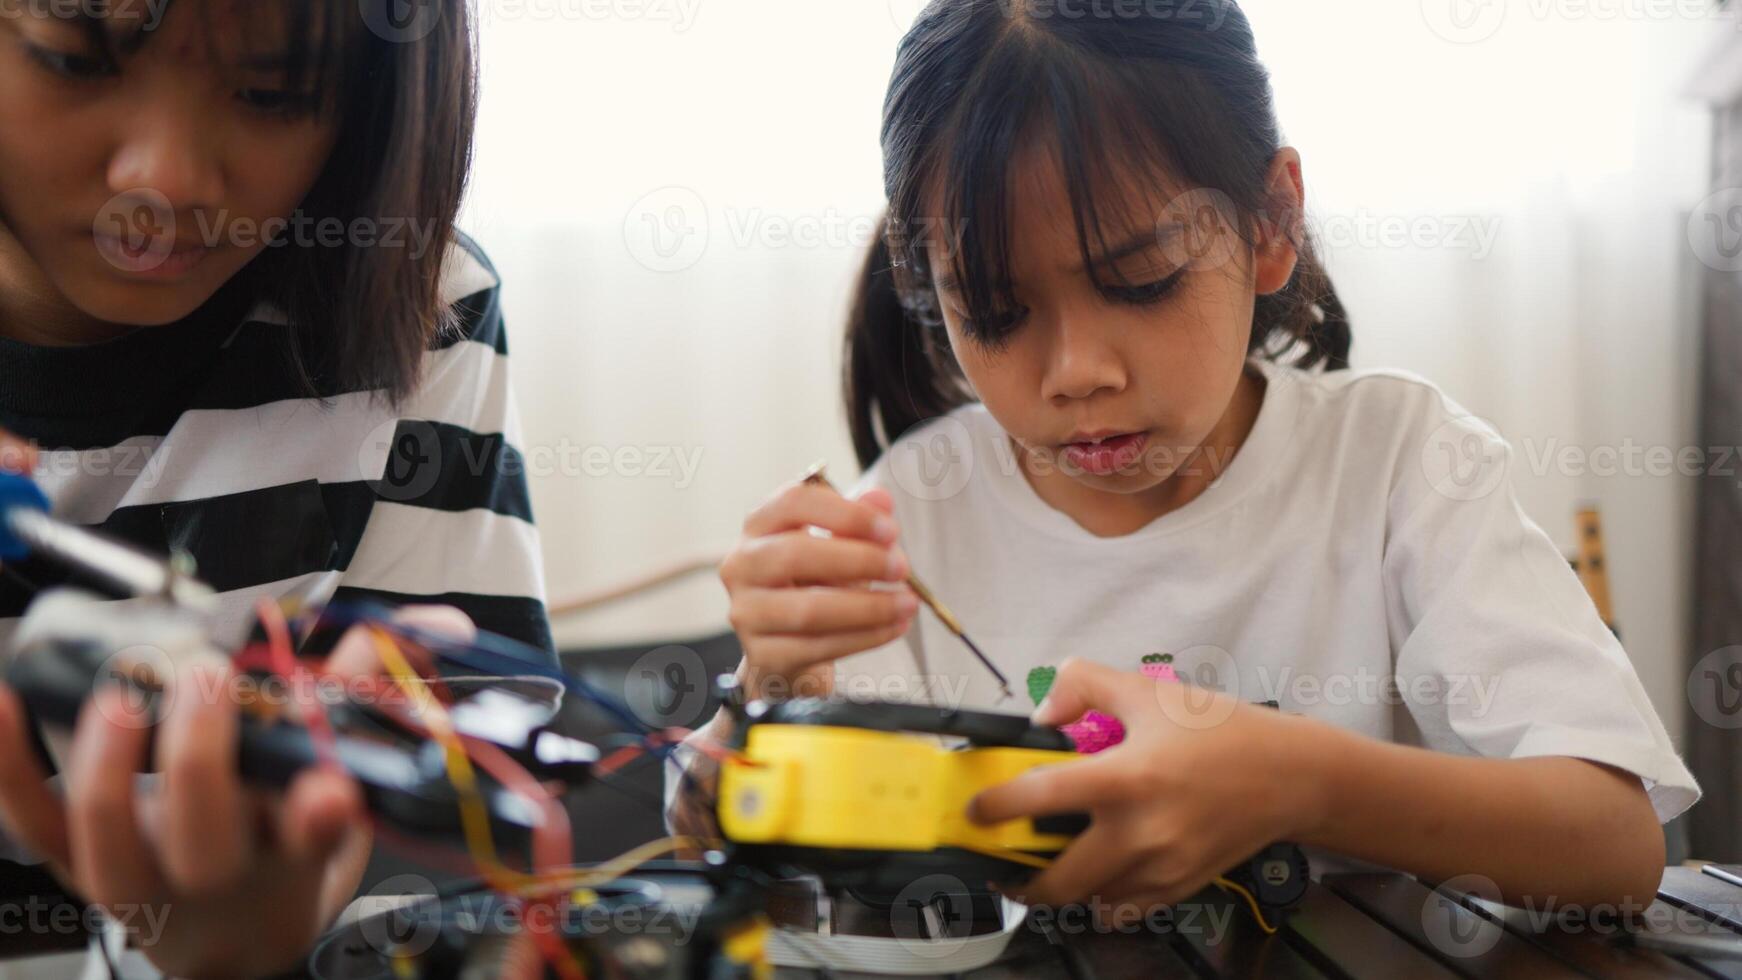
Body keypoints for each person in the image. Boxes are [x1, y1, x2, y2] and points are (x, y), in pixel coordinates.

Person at [677, 0, 1698, 915]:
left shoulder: (1398, 466)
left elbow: (1613, 842)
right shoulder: (910, 515)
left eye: (1140, 281)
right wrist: (769, 687)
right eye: (992, 310)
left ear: (1270, 221)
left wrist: (1295, 781)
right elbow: (714, 833)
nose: (1076, 371)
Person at [0, 0, 550, 974]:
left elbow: (444, 860)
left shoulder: (422, 314)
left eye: (272, 90)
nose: (165, 178)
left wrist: (232, 949)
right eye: (73, 58)